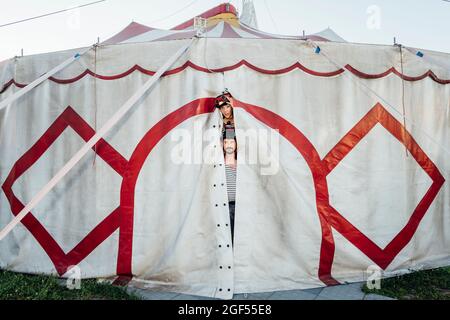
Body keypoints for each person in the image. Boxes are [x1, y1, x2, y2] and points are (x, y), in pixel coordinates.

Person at [223, 124, 237, 244]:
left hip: (239, 206)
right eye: (226, 142)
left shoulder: (241, 164)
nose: (228, 145)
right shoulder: (219, 164)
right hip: (224, 206)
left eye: (232, 142)